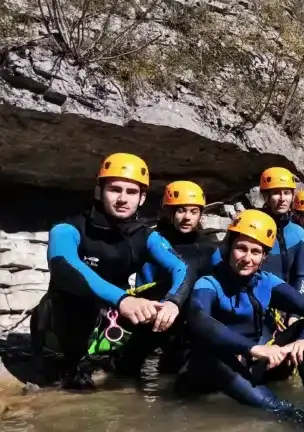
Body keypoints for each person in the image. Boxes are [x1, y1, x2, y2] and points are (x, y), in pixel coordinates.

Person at [30, 153, 192, 390]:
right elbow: (63, 267)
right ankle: (69, 366)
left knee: (184, 292)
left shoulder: (145, 236)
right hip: (65, 323)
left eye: (131, 192)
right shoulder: (68, 229)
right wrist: (123, 299)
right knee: (72, 297)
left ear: (142, 197)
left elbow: (182, 267)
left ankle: (135, 363)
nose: (122, 199)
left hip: (110, 320)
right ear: (99, 191)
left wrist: (173, 302)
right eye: (114, 189)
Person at [177, 209, 304, 425]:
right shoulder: (208, 283)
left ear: (264, 256)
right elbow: (200, 320)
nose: (247, 258)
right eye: (241, 248)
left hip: (254, 362)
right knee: (288, 414)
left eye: (255, 252)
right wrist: (252, 348)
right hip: (213, 369)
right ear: (228, 248)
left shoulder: (266, 281)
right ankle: (291, 415)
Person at [112, 180, 220, 376]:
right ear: (168, 212)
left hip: (188, 321)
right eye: (181, 210)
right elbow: (143, 284)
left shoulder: (209, 246)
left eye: (193, 212)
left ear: (200, 214)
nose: (187, 217)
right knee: (126, 371)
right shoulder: (153, 242)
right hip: (155, 316)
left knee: (174, 377)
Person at [258, 167, 304, 327]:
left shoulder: (298, 232)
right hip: (256, 306)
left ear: (292, 196)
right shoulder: (252, 225)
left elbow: (301, 276)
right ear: (265, 196)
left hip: (286, 307)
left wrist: (294, 312)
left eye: (286, 193)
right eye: (276, 193)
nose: (282, 199)